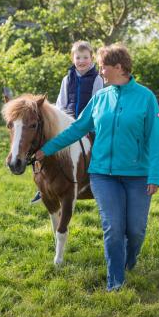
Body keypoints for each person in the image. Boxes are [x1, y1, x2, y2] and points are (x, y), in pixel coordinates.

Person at [36, 43, 159, 291]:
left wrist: (154, 175)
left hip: (137, 176)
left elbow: (155, 140)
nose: (100, 71)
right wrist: (46, 149)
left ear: (119, 67)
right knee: (113, 228)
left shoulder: (146, 98)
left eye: (103, 66)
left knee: (135, 231)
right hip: (103, 175)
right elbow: (77, 129)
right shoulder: (101, 97)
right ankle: (115, 282)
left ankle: (128, 261)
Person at [31, 40, 103, 203]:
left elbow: (97, 103)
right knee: (45, 145)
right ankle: (42, 187)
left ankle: (95, 179)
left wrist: (84, 122)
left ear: (91, 59)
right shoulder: (67, 79)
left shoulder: (97, 79)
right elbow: (61, 103)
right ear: (73, 59)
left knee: (98, 144)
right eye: (78, 58)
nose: (81, 61)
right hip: (67, 123)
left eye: (85, 57)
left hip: (88, 123)